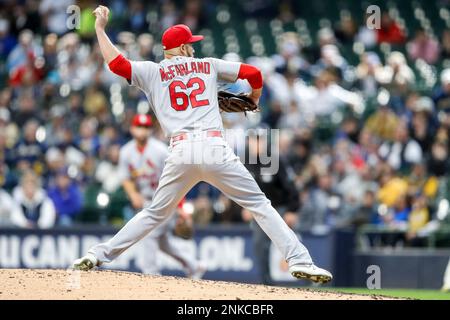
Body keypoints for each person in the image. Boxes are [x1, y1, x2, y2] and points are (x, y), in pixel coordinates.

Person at [73, 5, 332, 284]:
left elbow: (116, 63)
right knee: (259, 204)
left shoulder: (152, 71)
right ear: (182, 48)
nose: (194, 49)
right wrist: (254, 99)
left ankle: (98, 255)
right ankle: (299, 261)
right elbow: (254, 74)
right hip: (213, 147)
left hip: (181, 150)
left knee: (153, 214)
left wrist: (99, 28)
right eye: (190, 45)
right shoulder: (208, 65)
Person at [117, 114, 205, 277]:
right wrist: (133, 194)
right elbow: (125, 178)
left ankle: (151, 274)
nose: (142, 131)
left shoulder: (160, 151)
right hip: (145, 201)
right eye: (139, 126)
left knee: (149, 234)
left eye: (145, 127)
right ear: (132, 128)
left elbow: (177, 179)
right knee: (163, 243)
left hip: (164, 200)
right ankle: (194, 265)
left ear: (150, 130)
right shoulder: (126, 152)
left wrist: (180, 207)